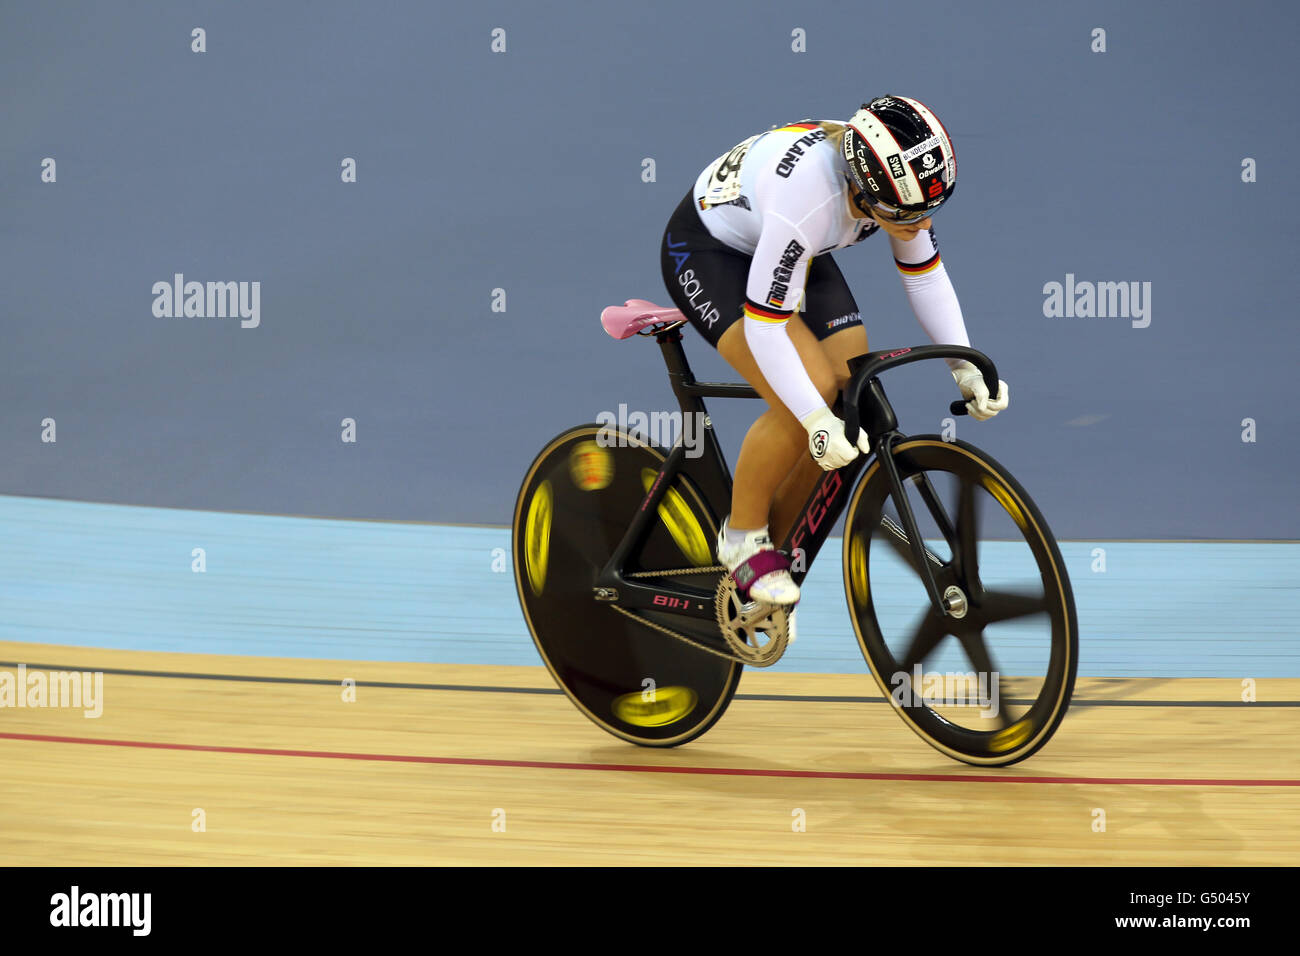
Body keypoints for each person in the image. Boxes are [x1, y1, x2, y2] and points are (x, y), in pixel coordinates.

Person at [659, 95, 1008, 607]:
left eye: (931, 212)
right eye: (908, 215)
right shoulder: (812, 204)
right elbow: (765, 331)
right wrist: (811, 416)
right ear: (865, 194)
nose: (922, 226)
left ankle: (768, 565)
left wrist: (964, 362)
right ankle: (742, 539)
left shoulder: (892, 183)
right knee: (809, 398)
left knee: (853, 392)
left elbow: (925, 275)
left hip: (784, 237)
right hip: (712, 251)